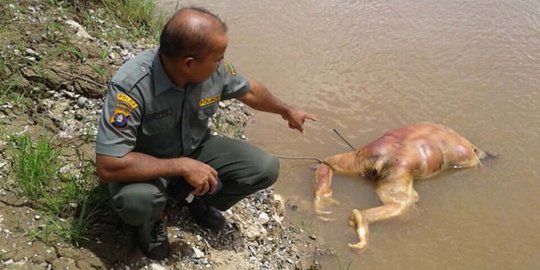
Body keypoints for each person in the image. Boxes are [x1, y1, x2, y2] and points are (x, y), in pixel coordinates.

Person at [95, 7, 316, 260]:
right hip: (147, 166)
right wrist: (181, 166)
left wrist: (286, 110)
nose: (222, 63)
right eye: (218, 57)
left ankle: (197, 200)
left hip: (194, 149)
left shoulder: (213, 71)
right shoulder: (132, 87)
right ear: (189, 63)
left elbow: (249, 89)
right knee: (138, 201)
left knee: (264, 167)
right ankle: (154, 219)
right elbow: (109, 165)